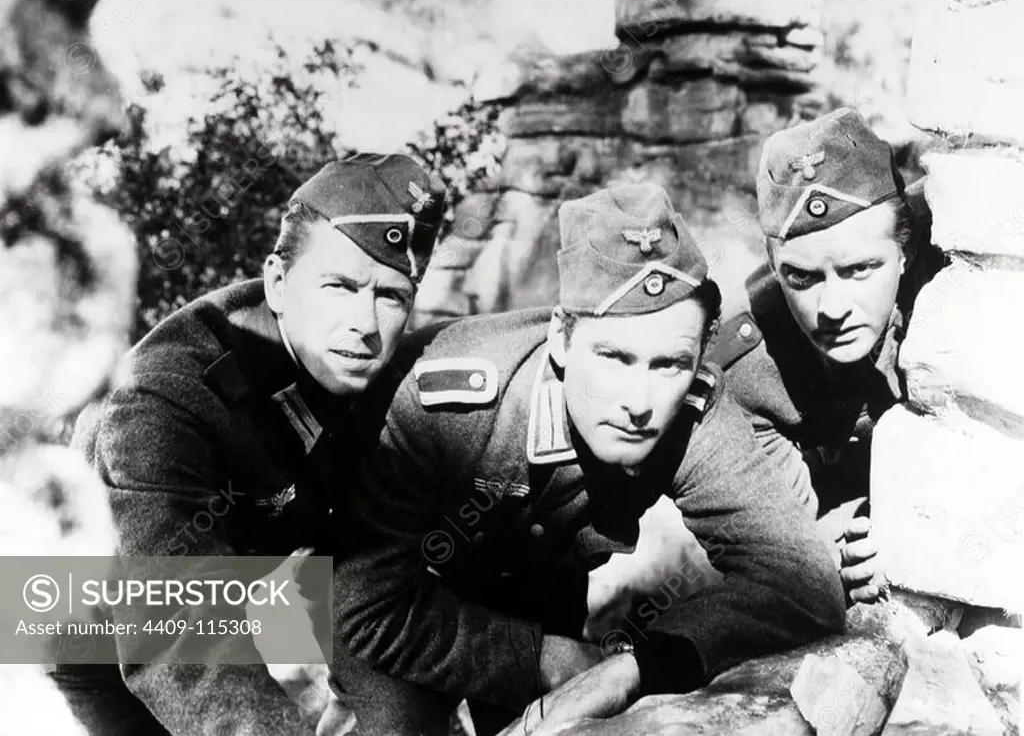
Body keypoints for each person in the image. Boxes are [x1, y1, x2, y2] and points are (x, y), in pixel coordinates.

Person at [330, 182, 846, 735]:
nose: (639, 402)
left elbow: (804, 581)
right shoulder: (444, 399)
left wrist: (635, 668)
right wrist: (543, 659)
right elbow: (361, 606)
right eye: (614, 357)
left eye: (668, 364)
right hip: (399, 603)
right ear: (561, 337)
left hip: (537, 599)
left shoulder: (696, 410)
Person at [48, 153, 447, 735]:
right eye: (340, 286)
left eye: (391, 296)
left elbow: (376, 565)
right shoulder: (160, 400)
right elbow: (175, 629)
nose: (365, 322)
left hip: (247, 594)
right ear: (278, 283)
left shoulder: (351, 365)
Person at [708, 108, 945, 604]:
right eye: (803, 278)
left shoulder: (955, 274)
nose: (832, 309)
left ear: (906, 248)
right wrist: (835, 552)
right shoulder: (745, 361)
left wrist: (914, 522)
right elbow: (784, 543)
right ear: (773, 265)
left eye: (861, 269)